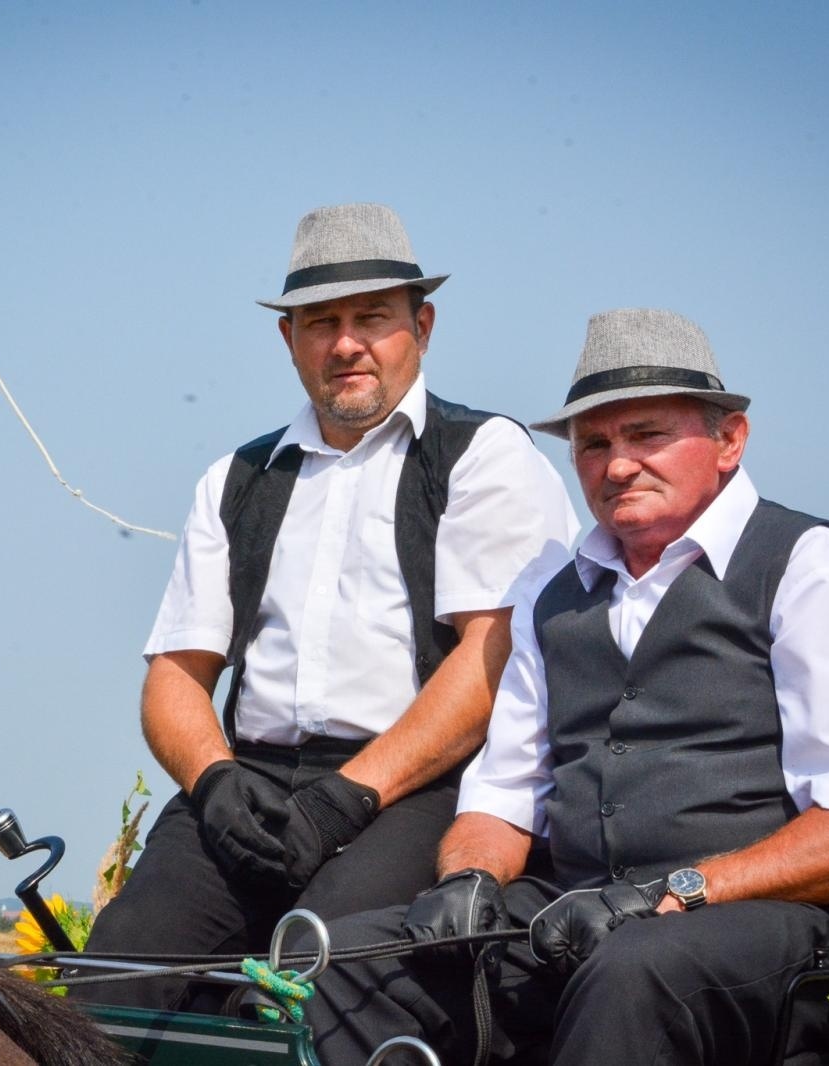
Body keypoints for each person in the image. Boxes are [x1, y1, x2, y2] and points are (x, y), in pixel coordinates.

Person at [302, 307, 829, 1065]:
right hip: (581, 914)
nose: (616, 467)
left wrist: (676, 890)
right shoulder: (547, 590)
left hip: (776, 932)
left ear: (729, 440)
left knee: (635, 971)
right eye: (594, 444)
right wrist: (471, 877)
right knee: (349, 966)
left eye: (647, 435)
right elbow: (506, 795)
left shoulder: (815, 570)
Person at [74, 204, 578, 1011]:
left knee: (306, 990)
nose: (347, 344)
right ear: (289, 339)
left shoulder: (483, 456)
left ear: (423, 325)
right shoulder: (238, 479)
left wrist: (350, 795)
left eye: (372, 317)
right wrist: (213, 784)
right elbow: (175, 674)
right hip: (253, 783)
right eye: (321, 322)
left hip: (416, 787)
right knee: (111, 985)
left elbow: (494, 659)